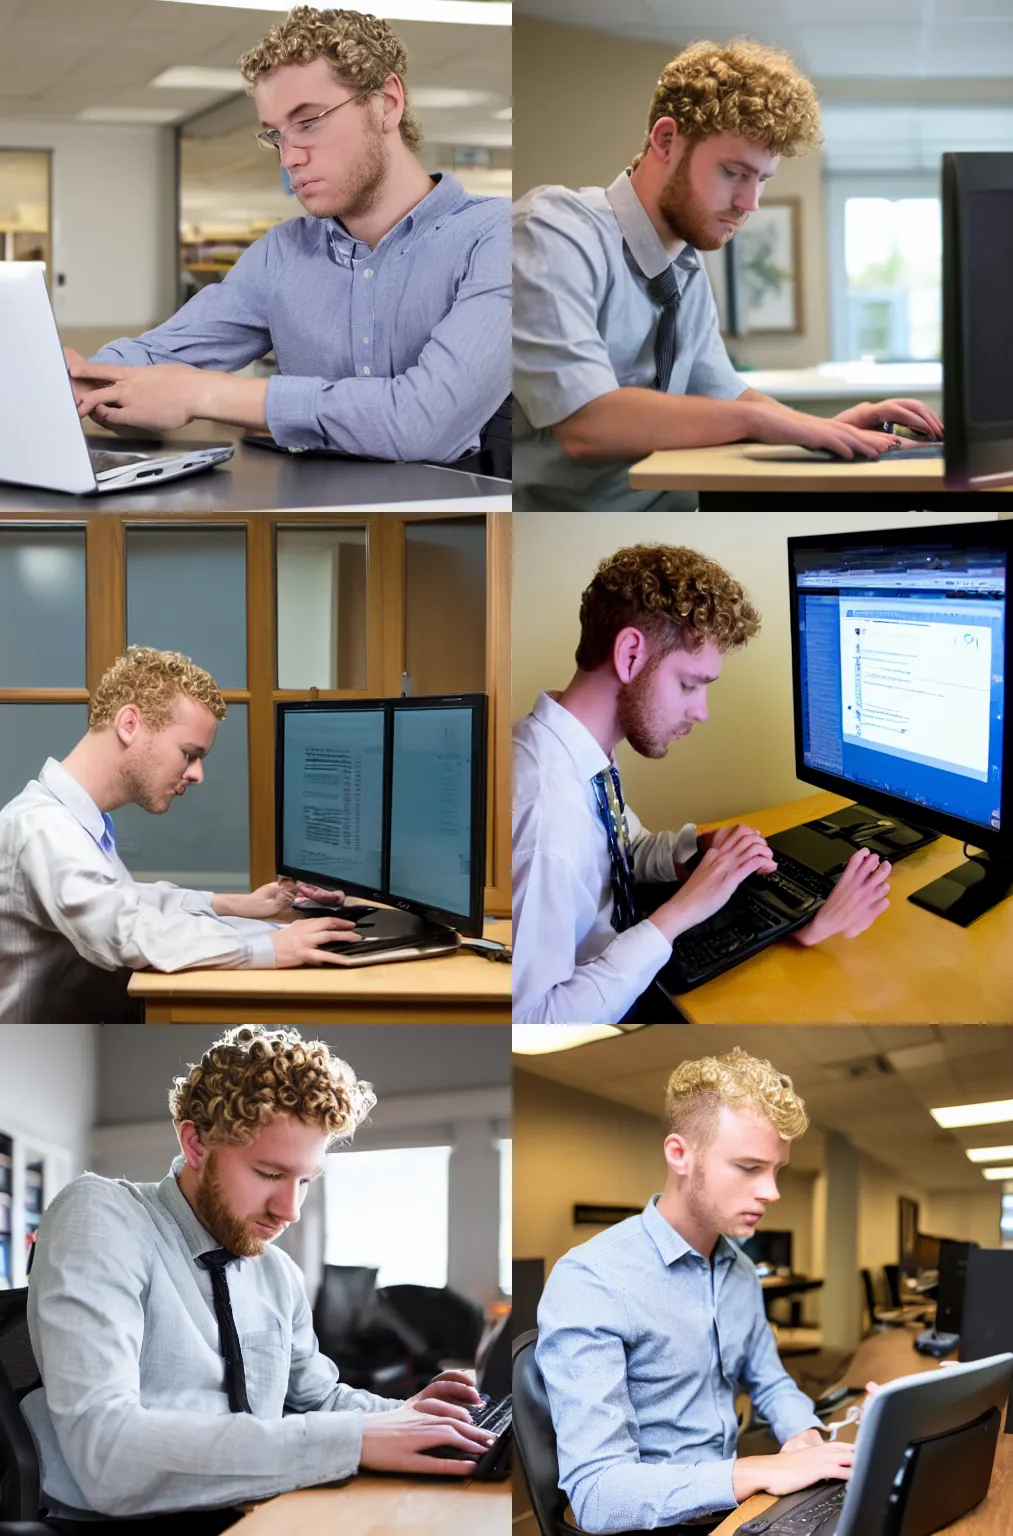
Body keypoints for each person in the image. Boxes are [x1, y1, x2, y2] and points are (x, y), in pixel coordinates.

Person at [22, 1026, 497, 1532]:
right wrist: (354, 1439)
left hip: (260, 1511)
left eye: (305, 1181)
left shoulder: (276, 1273)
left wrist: (411, 1416)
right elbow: (106, 1454)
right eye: (270, 1174)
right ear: (195, 1143)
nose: (289, 1210)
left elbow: (321, 1398)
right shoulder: (101, 1217)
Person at [64, 6, 510, 472]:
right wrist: (83, 376)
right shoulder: (282, 254)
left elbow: (426, 421)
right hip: (329, 527)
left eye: (309, 121)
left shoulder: (498, 238)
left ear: (386, 103)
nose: (289, 158)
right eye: (276, 135)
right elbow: (161, 353)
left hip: (475, 524)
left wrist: (203, 393)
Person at [512, 38, 945, 509]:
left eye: (762, 179)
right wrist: (767, 424)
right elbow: (587, 424)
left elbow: (728, 400)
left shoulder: (685, 266)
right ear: (665, 140)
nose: (750, 203)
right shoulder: (550, 231)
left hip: (680, 514)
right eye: (734, 172)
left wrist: (829, 429)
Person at [512, 544, 893, 1024]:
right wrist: (680, 914)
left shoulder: (574, 753)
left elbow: (618, 851)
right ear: (630, 655)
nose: (702, 711)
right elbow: (529, 1022)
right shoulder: (547, 815)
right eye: (690, 684)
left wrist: (691, 851)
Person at [537, 1047, 877, 1534]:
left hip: (729, 1505)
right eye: (748, 1167)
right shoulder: (592, 1278)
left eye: (776, 1170)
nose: (772, 1192)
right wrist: (761, 1470)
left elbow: (771, 1380)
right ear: (680, 1154)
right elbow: (597, 1495)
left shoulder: (738, 1271)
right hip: (656, 1521)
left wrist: (803, 1435)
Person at [0, 646, 357, 1024]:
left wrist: (244, 905)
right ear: (130, 724)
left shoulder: (72, 820)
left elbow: (127, 900)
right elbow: (126, 933)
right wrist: (271, 946)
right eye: (189, 754)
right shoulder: (46, 830)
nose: (197, 774)